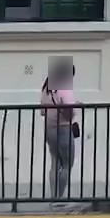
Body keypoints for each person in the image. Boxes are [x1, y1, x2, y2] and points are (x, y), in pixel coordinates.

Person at [40, 57, 78, 200]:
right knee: (67, 164)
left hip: (49, 128)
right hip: (63, 128)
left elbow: (42, 111)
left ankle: (53, 196)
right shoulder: (64, 89)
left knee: (55, 162)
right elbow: (68, 108)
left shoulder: (46, 89)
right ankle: (60, 197)